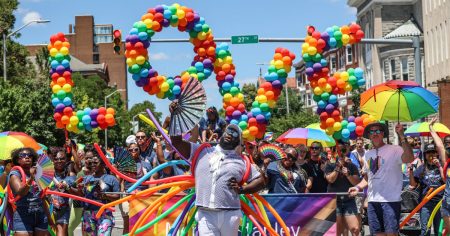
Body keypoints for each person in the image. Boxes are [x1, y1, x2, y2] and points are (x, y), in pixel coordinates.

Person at [169, 101, 265, 236]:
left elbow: (261, 180)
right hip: (206, 214)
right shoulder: (201, 151)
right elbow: (176, 142)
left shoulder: (242, 161)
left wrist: (243, 190)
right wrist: (176, 116)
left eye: (235, 133)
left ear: (238, 142)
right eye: (228, 130)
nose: (230, 134)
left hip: (230, 214)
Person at [349, 122, 414, 236]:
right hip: (373, 201)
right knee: (377, 234)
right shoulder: (367, 154)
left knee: (391, 234)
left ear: (383, 133)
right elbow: (368, 177)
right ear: (369, 136)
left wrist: (402, 136)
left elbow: (409, 157)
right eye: (372, 131)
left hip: (390, 201)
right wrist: (357, 187)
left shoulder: (395, 149)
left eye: (378, 131)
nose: (375, 133)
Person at [76, 147, 120, 236]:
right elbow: (82, 197)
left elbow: (117, 197)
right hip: (88, 214)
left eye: (96, 163)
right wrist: (79, 189)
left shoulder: (111, 179)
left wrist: (104, 195)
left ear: (103, 164)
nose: (93, 165)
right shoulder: (87, 178)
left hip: (105, 214)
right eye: (91, 163)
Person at [9, 148, 52, 236]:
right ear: (18, 159)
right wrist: (31, 179)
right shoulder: (15, 174)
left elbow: (42, 197)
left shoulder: (39, 173)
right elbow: (20, 192)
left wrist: (49, 218)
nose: (27, 157)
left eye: (29, 155)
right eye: (23, 156)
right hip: (23, 214)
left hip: (40, 214)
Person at [325, 143, 361, 236]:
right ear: (334, 152)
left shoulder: (352, 166)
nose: (341, 153)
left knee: (355, 229)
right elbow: (330, 179)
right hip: (334, 201)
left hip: (349, 200)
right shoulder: (329, 165)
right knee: (338, 231)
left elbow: (356, 183)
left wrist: (348, 175)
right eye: (338, 151)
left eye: (343, 151)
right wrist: (337, 167)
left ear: (347, 151)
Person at [409, 142, 444, 236]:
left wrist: (439, 166)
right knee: (425, 230)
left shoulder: (442, 166)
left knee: (439, 230)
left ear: (437, 153)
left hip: (440, 202)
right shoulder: (421, 168)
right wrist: (411, 172)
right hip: (426, 202)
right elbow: (413, 184)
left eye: (433, 152)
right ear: (425, 155)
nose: (431, 154)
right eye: (429, 153)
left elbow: (445, 179)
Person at [118, 141, 152, 234]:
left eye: (136, 149)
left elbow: (151, 181)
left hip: (142, 196)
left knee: (142, 222)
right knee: (127, 223)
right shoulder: (123, 165)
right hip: (127, 196)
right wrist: (123, 195)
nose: (133, 151)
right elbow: (120, 181)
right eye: (131, 149)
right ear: (128, 151)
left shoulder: (146, 165)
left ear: (139, 150)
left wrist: (149, 196)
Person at [51, 150, 77, 236]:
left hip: (63, 210)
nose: (59, 161)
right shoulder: (46, 175)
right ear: (53, 160)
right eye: (56, 159)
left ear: (66, 160)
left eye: (62, 159)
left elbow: (75, 193)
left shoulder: (71, 176)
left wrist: (67, 187)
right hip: (47, 211)